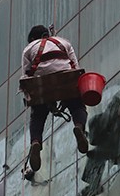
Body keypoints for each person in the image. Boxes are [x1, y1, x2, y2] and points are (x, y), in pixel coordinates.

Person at [21, 25, 90, 176]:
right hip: (65, 77)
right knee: (77, 105)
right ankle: (79, 127)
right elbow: (75, 66)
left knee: (38, 115)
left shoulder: (28, 49)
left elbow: (26, 76)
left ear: (32, 38)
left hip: (41, 82)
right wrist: (70, 93)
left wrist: (31, 96)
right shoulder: (63, 42)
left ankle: (35, 142)